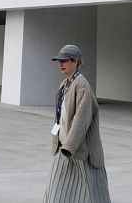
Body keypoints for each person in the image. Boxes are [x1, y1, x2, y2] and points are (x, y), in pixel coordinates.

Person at [43, 44, 110, 202]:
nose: (61, 64)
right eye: (59, 60)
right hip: (64, 148)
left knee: (88, 192)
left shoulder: (82, 86)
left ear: (76, 61)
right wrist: (55, 137)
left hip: (80, 151)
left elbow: (81, 121)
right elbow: (60, 117)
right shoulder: (65, 85)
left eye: (65, 60)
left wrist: (68, 147)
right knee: (56, 189)